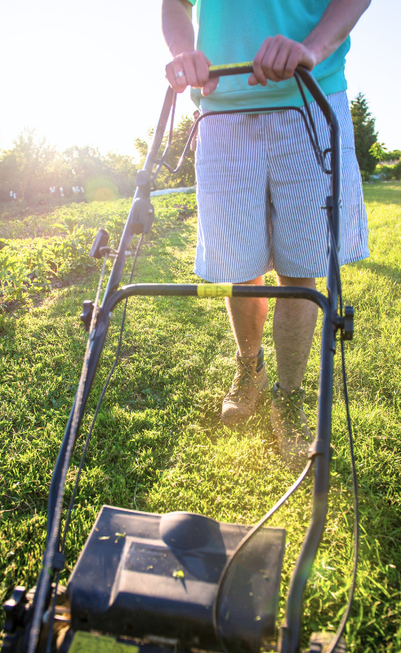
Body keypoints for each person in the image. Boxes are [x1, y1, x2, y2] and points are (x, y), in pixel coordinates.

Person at [160, 0, 370, 464]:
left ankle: (290, 396)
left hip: (309, 95)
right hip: (221, 113)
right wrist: (183, 50)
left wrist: (311, 47)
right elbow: (174, 3)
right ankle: (249, 368)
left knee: (301, 271)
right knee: (239, 266)